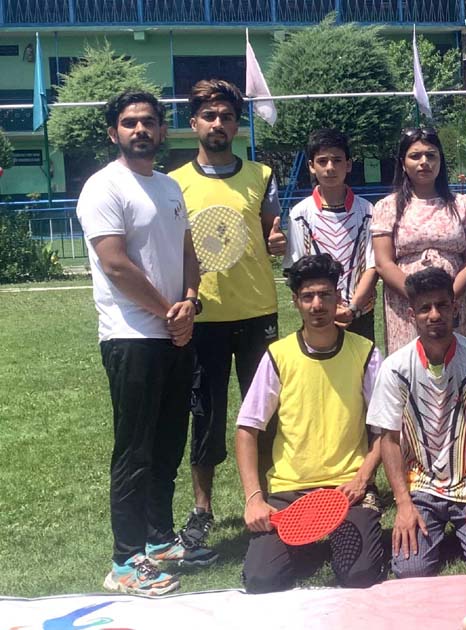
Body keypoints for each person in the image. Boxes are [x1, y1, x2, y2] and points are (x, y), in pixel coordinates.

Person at [79, 90, 202, 595]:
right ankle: (126, 561)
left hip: (175, 333)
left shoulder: (170, 187)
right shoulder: (103, 187)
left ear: (161, 130)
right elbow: (116, 264)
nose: (140, 130)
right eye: (129, 123)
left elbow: (187, 253)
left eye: (149, 121)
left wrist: (190, 301)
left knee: (168, 444)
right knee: (135, 450)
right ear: (114, 132)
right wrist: (169, 312)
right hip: (131, 337)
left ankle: (158, 539)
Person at [169, 79, 287, 554]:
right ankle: (202, 509)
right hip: (204, 317)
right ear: (194, 123)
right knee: (206, 414)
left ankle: (268, 497)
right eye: (210, 116)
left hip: (257, 311)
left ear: (238, 125)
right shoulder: (175, 182)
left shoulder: (261, 174)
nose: (218, 124)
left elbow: (273, 235)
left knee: (267, 413)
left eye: (227, 117)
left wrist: (278, 242)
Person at [235, 254, 385, 593]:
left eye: (325, 295)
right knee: (261, 580)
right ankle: (309, 542)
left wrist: (363, 478)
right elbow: (246, 431)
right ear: (296, 302)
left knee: (359, 575)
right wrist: (254, 498)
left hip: (348, 488)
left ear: (338, 298)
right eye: (307, 297)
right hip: (288, 490)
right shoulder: (278, 355)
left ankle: (328, 538)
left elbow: (386, 430)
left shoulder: (365, 352)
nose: (317, 305)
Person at [367, 268, 466, 578]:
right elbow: (389, 439)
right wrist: (403, 504)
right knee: (411, 570)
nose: (434, 315)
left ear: (454, 308)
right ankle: (439, 533)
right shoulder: (395, 368)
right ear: (411, 315)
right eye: (425, 308)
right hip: (420, 483)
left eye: (442, 305)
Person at [371, 127, 466, 354]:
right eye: (415, 156)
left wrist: (446, 299)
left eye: (431, 155)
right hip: (407, 306)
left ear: (440, 161)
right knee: (411, 365)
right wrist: (419, 299)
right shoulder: (387, 207)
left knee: (456, 363)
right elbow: (383, 263)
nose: (424, 162)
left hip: (454, 302)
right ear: (403, 163)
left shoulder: (462, 204)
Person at [284, 129, 377, 341]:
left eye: (337, 160)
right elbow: (296, 268)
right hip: (317, 312)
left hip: (360, 311)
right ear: (311, 166)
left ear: (348, 164)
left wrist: (352, 308)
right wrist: (323, 305)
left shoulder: (367, 211)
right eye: (322, 161)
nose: (330, 167)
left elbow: (373, 265)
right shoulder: (300, 214)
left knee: (362, 361)